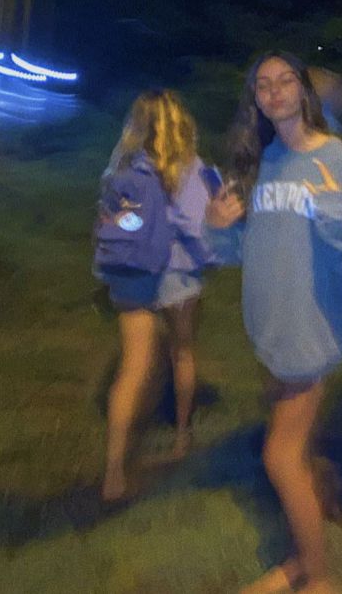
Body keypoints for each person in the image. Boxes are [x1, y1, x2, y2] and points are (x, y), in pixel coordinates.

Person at [205, 51, 342, 594]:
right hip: (269, 329)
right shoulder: (262, 161)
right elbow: (242, 252)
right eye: (263, 84)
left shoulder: (337, 158)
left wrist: (331, 212)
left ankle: (317, 576)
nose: (274, 91)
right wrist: (218, 228)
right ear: (254, 98)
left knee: (279, 456)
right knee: (292, 454)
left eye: (286, 81)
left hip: (309, 328)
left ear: (303, 91)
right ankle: (301, 554)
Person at [97, 89, 214, 502]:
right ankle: (182, 436)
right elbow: (199, 228)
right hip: (180, 279)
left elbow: (116, 221)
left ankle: (113, 472)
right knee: (182, 353)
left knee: (132, 369)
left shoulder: (122, 168)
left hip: (134, 277)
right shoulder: (193, 169)